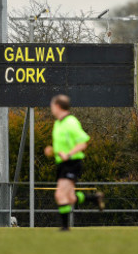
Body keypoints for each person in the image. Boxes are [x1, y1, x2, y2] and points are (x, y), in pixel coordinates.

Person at [43, 94, 104, 231]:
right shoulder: (58, 123)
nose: (51, 108)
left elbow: (83, 143)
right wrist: (52, 150)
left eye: (52, 106)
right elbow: (63, 146)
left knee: (60, 195)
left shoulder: (71, 122)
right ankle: (93, 199)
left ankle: (65, 228)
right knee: (70, 197)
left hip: (72, 163)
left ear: (58, 106)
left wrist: (69, 155)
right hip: (62, 164)